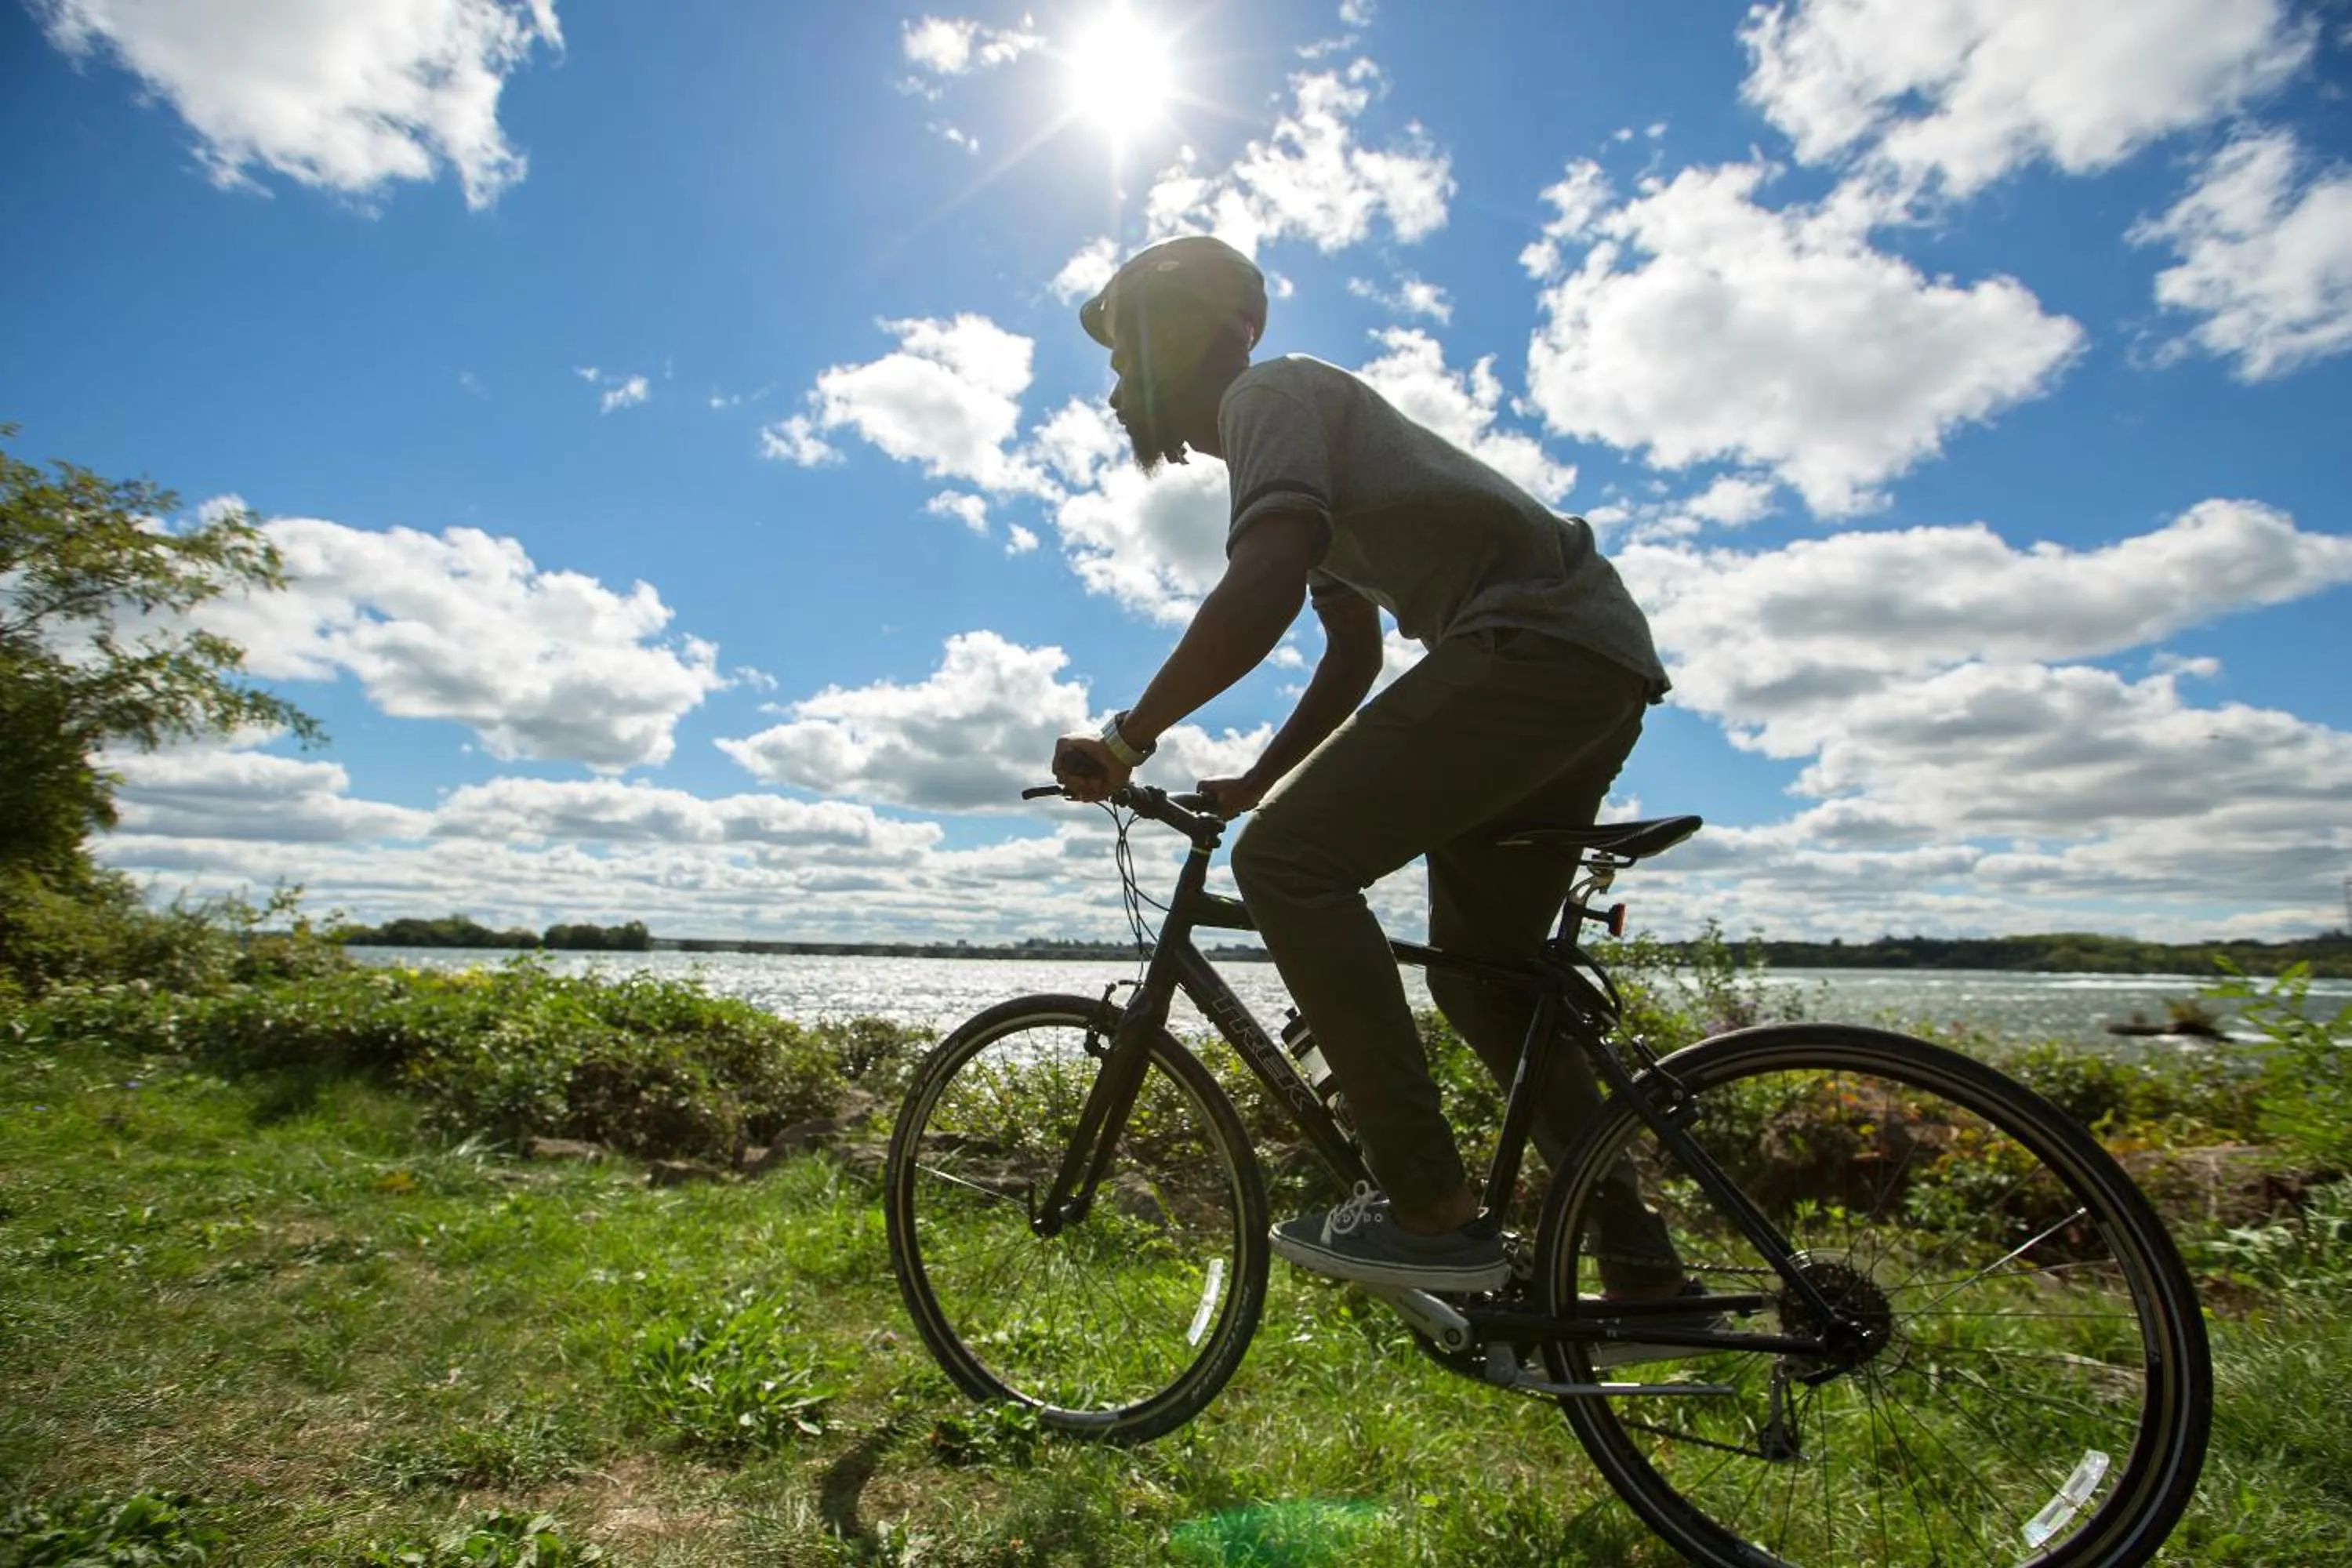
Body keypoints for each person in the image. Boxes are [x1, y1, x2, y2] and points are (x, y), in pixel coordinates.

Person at [1051, 234, 1686, 1302]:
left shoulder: (1269, 399)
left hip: (1535, 644)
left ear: (1184, 339)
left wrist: (1125, 739)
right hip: (1585, 663)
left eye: (1124, 356)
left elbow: (1260, 587)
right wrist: (1258, 781)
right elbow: (1352, 653)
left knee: (1289, 866)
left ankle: (1430, 1212)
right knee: (1478, 978)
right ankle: (1638, 1269)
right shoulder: (1290, 450)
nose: (1115, 388)